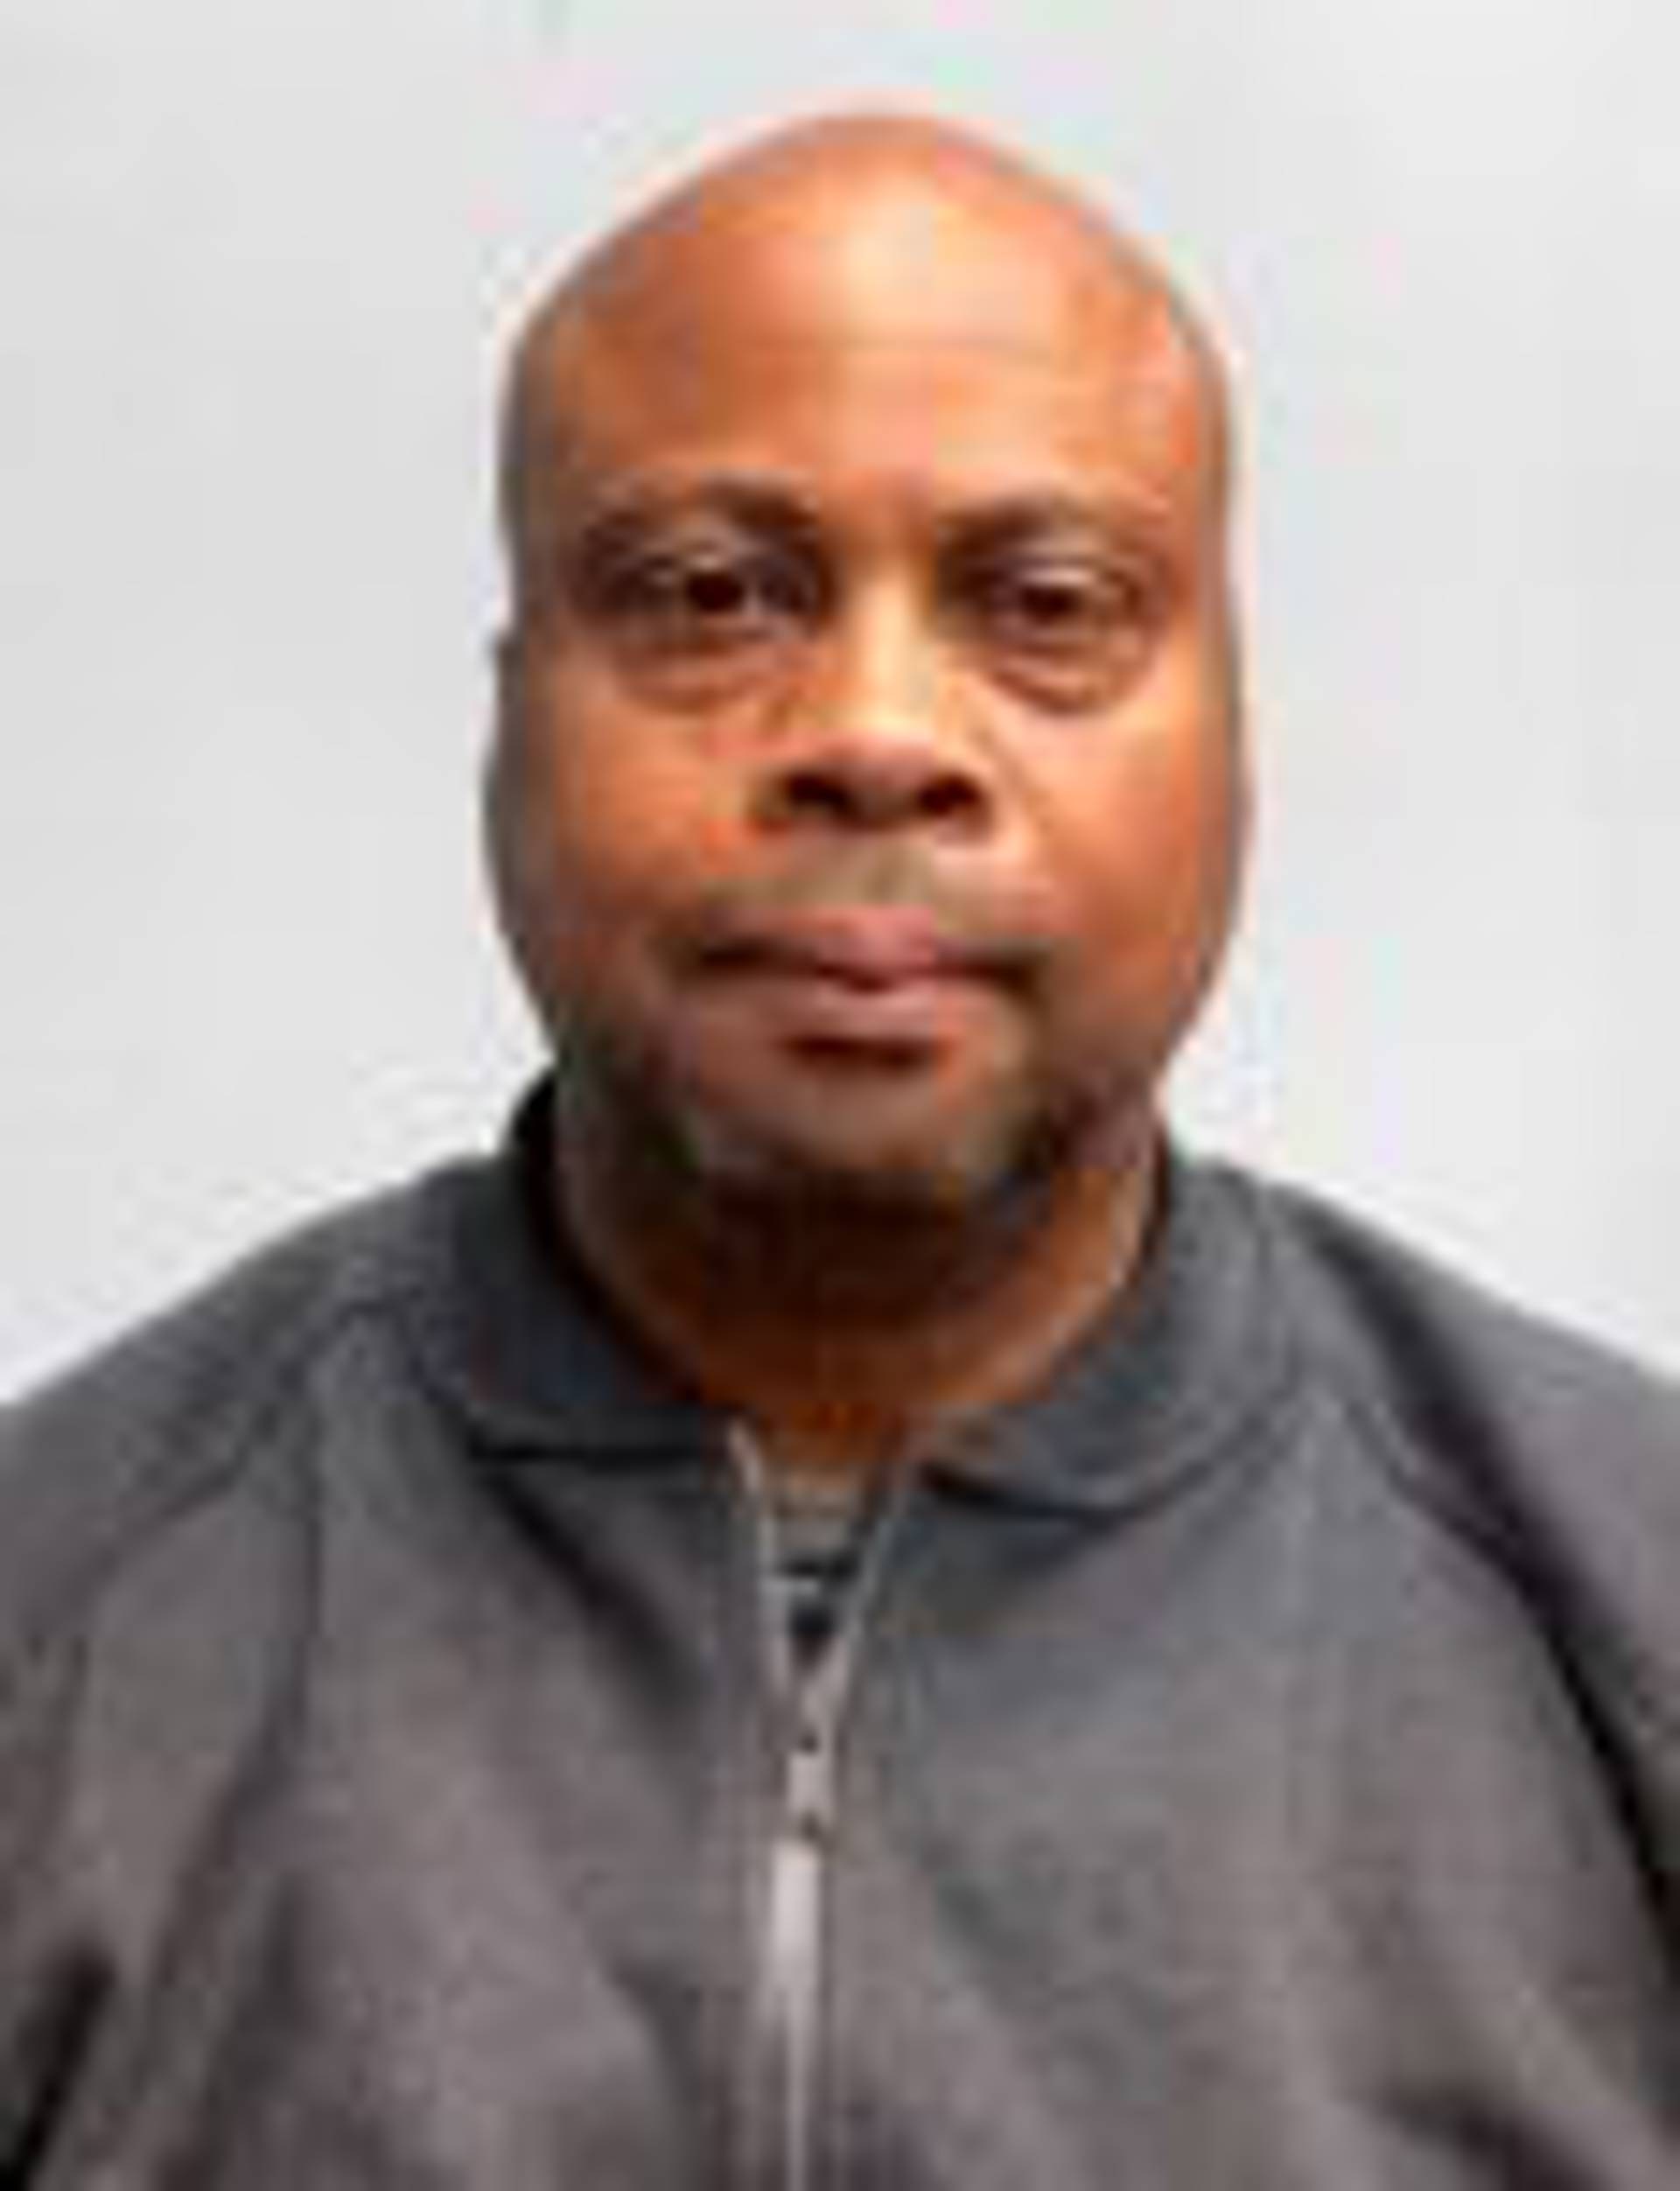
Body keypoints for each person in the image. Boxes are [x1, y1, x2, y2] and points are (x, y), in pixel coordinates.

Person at [2, 109, 1678, 2190]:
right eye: (711, 594)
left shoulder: (1627, 1607)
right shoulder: (60, 1608)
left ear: (1238, 735)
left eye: (1048, 601)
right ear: (510, 724)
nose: (877, 731)